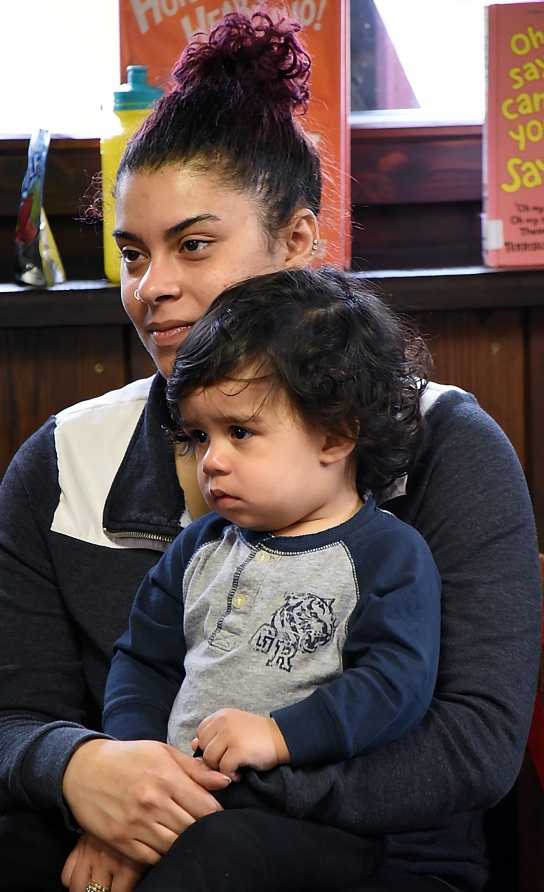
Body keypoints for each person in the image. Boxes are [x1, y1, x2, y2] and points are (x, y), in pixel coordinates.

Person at [0, 8, 540, 892]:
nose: (153, 289)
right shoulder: (63, 460)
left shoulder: (445, 445)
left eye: (194, 245)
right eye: (133, 253)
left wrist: (197, 808)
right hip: (112, 827)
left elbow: (473, 744)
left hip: (373, 853)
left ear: (297, 241)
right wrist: (84, 773)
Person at [62, 265, 442, 891]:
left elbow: (395, 685)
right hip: (176, 799)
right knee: (24, 841)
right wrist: (135, 762)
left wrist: (278, 736)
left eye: (240, 432)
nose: (211, 460)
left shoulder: (387, 555)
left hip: (308, 826)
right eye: (199, 436)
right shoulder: (198, 549)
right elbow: (144, 663)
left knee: (213, 857)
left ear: (335, 433)